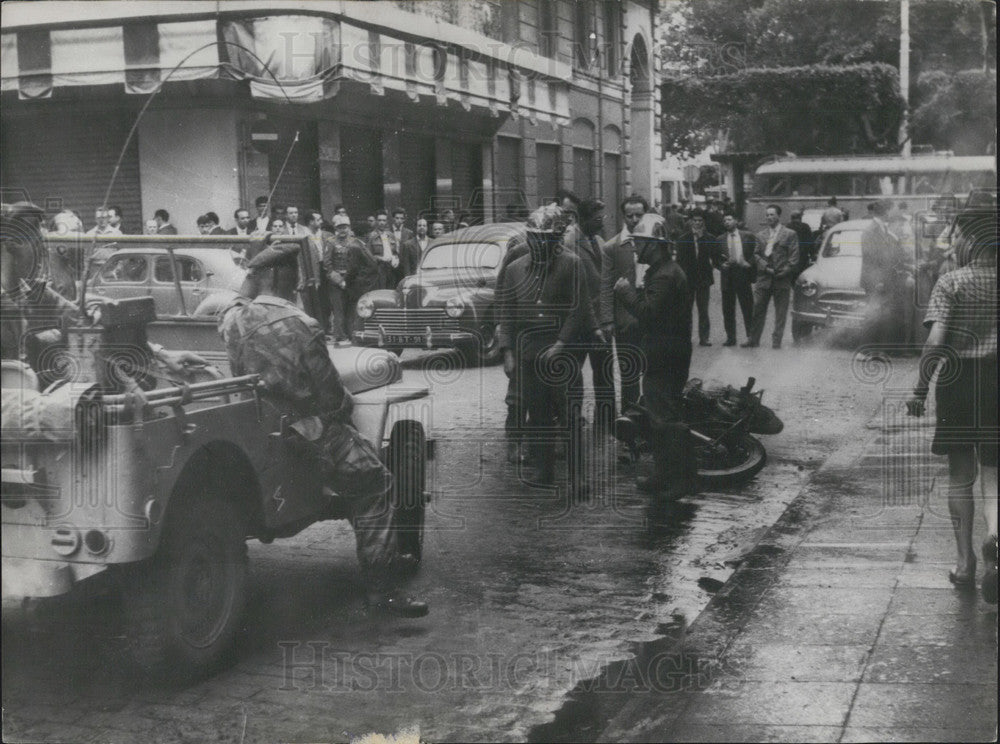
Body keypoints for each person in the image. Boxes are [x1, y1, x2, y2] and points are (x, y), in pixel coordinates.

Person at [217, 242, 427, 617]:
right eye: (294, 273)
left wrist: (251, 280)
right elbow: (331, 396)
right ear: (285, 277)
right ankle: (383, 590)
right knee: (376, 483)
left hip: (258, 429)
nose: (299, 280)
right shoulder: (302, 325)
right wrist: (346, 405)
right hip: (311, 434)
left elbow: (236, 301)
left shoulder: (233, 320)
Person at [906, 206, 997, 604]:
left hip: (959, 382)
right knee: (996, 473)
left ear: (971, 240)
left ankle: (965, 564)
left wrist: (920, 390)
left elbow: (935, 342)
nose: (953, 241)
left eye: (958, 234)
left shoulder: (952, 282)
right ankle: (995, 538)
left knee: (961, 475)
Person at [497, 204, 595, 500]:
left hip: (561, 351)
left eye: (546, 239)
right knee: (537, 416)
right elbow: (507, 312)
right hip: (528, 352)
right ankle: (544, 470)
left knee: (570, 415)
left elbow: (579, 309)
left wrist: (562, 344)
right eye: (535, 238)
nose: (540, 245)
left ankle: (578, 478)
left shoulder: (572, 264)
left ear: (556, 240)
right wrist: (508, 352)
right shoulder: (515, 269)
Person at [613, 213, 698, 497]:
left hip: (665, 355)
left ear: (654, 244)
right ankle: (665, 476)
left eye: (639, 242)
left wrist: (626, 294)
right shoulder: (665, 271)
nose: (635, 247)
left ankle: (681, 480)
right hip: (665, 353)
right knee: (659, 418)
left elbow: (649, 314)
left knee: (667, 420)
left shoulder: (664, 275)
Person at [562, 198, 613, 433]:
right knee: (573, 376)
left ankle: (605, 422)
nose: (602, 222)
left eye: (603, 217)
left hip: (601, 320)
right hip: (580, 321)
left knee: (604, 374)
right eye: (597, 219)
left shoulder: (600, 241)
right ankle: (572, 419)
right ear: (582, 219)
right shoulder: (570, 242)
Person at [600, 194, 648, 420]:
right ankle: (629, 421)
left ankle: (650, 419)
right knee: (629, 373)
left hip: (650, 318)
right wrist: (608, 320)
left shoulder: (653, 242)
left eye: (640, 215)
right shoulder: (612, 247)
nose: (635, 219)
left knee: (650, 371)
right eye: (630, 215)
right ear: (623, 216)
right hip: (625, 320)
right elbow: (606, 285)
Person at [743, 204, 799, 349]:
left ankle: (776, 341)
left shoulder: (789, 234)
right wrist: (765, 268)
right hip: (763, 279)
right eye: (767, 215)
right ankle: (753, 339)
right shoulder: (760, 235)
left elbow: (794, 258)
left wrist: (783, 272)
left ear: (778, 216)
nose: (769, 217)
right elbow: (755, 254)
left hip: (782, 279)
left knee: (780, 313)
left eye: (772, 215)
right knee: (757, 309)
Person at [860, 199, 912, 348]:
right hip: (876, 281)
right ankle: (865, 350)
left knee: (881, 315)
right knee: (872, 315)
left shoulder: (882, 228)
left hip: (883, 280)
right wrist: (878, 281)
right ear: (886, 211)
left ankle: (875, 349)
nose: (894, 212)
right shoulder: (871, 230)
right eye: (892, 209)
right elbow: (871, 258)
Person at [674, 210, 718, 346]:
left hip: (703, 280)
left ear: (703, 222)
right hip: (688, 280)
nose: (697, 223)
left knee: (703, 310)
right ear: (691, 221)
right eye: (695, 220)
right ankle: (686, 337)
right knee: (686, 310)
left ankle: (704, 338)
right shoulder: (683, 238)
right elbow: (680, 261)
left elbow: (715, 258)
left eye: (700, 221)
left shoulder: (710, 238)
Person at [323, 214, 366, 342]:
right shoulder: (330, 242)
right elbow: (327, 265)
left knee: (352, 309)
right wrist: (339, 280)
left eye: (345, 227)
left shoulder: (356, 242)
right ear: (336, 228)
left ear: (349, 228)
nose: (342, 230)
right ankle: (340, 336)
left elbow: (362, 262)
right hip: (336, 281)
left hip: (352, 281)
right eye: (340, 227)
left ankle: (352, 334)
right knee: (338, 309)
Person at [718, 211, 757, 346]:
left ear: (736, 221)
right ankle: (731, 337)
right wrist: (720, 265)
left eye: (729, 219)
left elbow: (755, 253)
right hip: (727, 276)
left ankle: (751, 337)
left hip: (743, 275)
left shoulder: (748, 236)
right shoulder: (720, 239)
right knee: (728, 309)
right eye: (725, 221)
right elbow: (716, 259)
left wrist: (750, 263)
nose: (727, 222)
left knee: (747, 308)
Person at [303, 209, 332, 332]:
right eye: (318, 219)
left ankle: (326, 326)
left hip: (325, 269)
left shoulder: (326, 235)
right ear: (310, 222)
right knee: (314, 299)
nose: (321, 221)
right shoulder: (304, 235)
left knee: (326, 299)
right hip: (311, 270)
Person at [367, 211, 401, 289]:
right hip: (379, 270)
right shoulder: (371, 236)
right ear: (376, 221)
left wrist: (396, 258)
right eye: (379, 220)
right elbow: (368, 256)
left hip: (391, 269)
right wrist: (381, 258)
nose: (382, 223)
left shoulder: (391, 235)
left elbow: (395, 252)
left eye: (384, 220)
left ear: (387, 222)